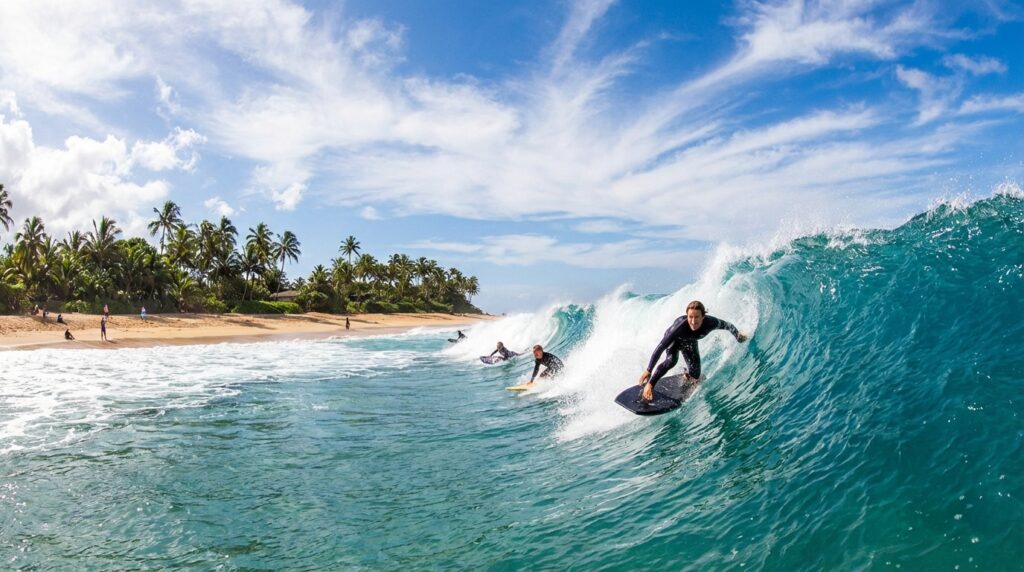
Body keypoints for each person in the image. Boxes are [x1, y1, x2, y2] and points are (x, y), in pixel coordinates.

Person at [637, 300, 748, 401]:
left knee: (695, 376)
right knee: (671, 361)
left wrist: (737, 335)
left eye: (696, 317)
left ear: (703, 316)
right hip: (674, 341)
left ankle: (687, 374)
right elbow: (660, 347)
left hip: (690, 342)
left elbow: (727, 325)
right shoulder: (678, 327)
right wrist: (649, 370)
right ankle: (650, 385)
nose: (693, 321)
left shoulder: (711, 323)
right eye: (690, 317)